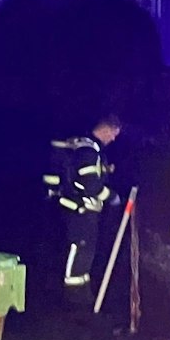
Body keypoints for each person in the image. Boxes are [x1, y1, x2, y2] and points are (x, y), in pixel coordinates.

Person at [44, 115, 121, 309]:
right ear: (105, 129)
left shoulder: (90, 149)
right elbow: (89, 184)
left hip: (84, 210)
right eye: (113, 134)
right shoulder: (88, 150)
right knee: (79, 249)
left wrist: (106, 171)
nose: (113, 139)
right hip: (80, 210)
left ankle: (82, 293)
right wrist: (111, 196)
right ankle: (73, 295)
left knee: (85, 251)